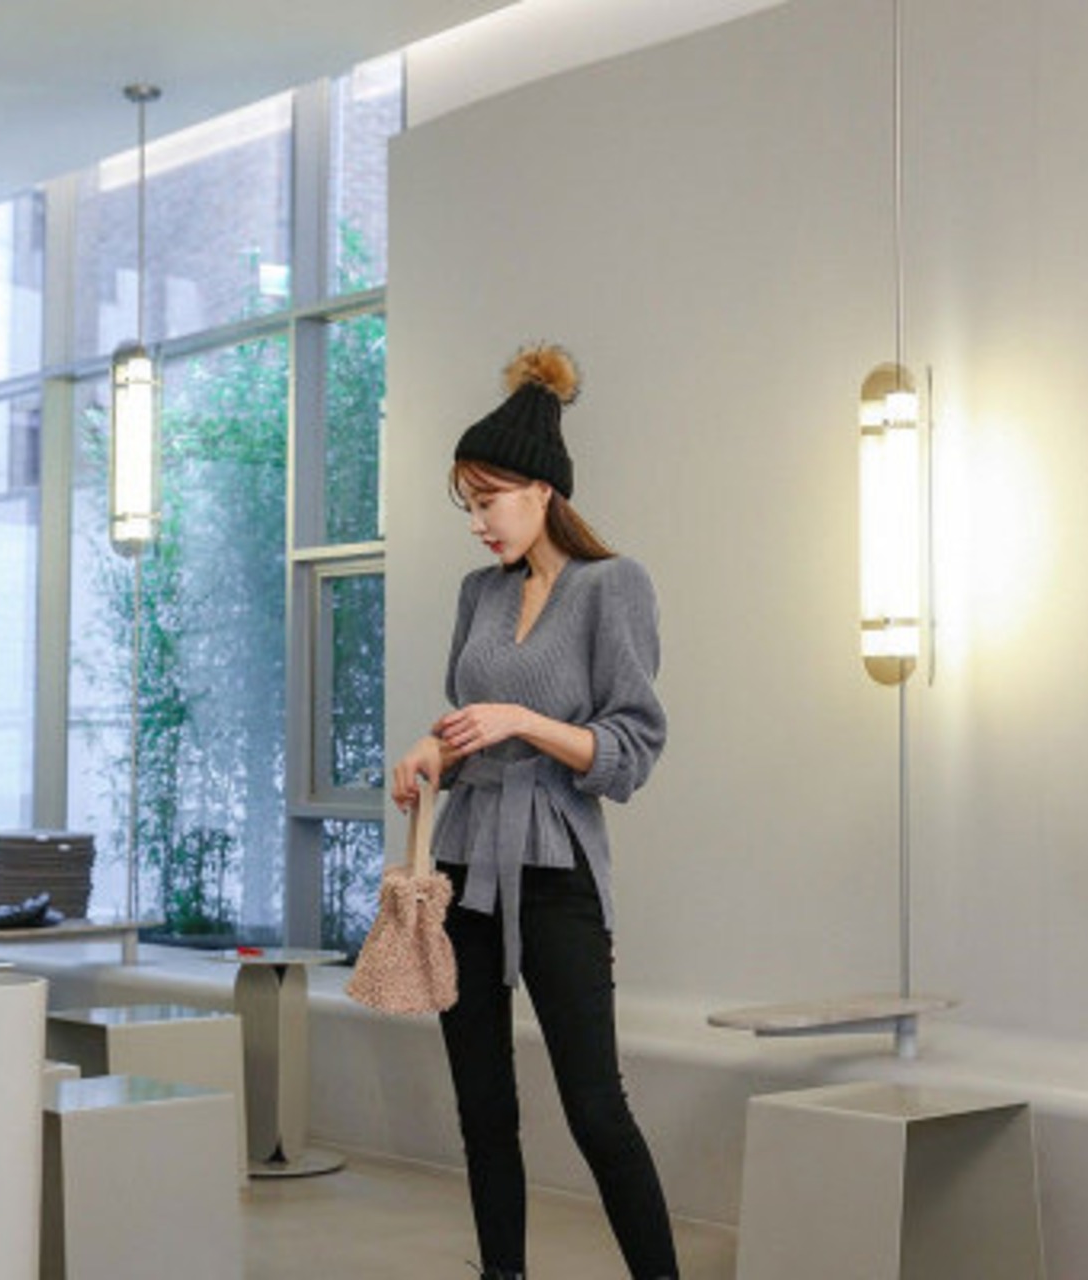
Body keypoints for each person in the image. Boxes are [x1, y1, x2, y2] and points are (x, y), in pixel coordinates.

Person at [391, 344, 679, 1280]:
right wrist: (432, 750)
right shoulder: (478, 593)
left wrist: (523, 719)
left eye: (491, 501)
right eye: (468, 506)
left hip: (556, 868)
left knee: (597, 1109)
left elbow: (632, 744)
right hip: (463, 864)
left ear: (543, 490)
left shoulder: (612, 586)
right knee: (484, 1111)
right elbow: (466, 724)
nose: (478, 524)